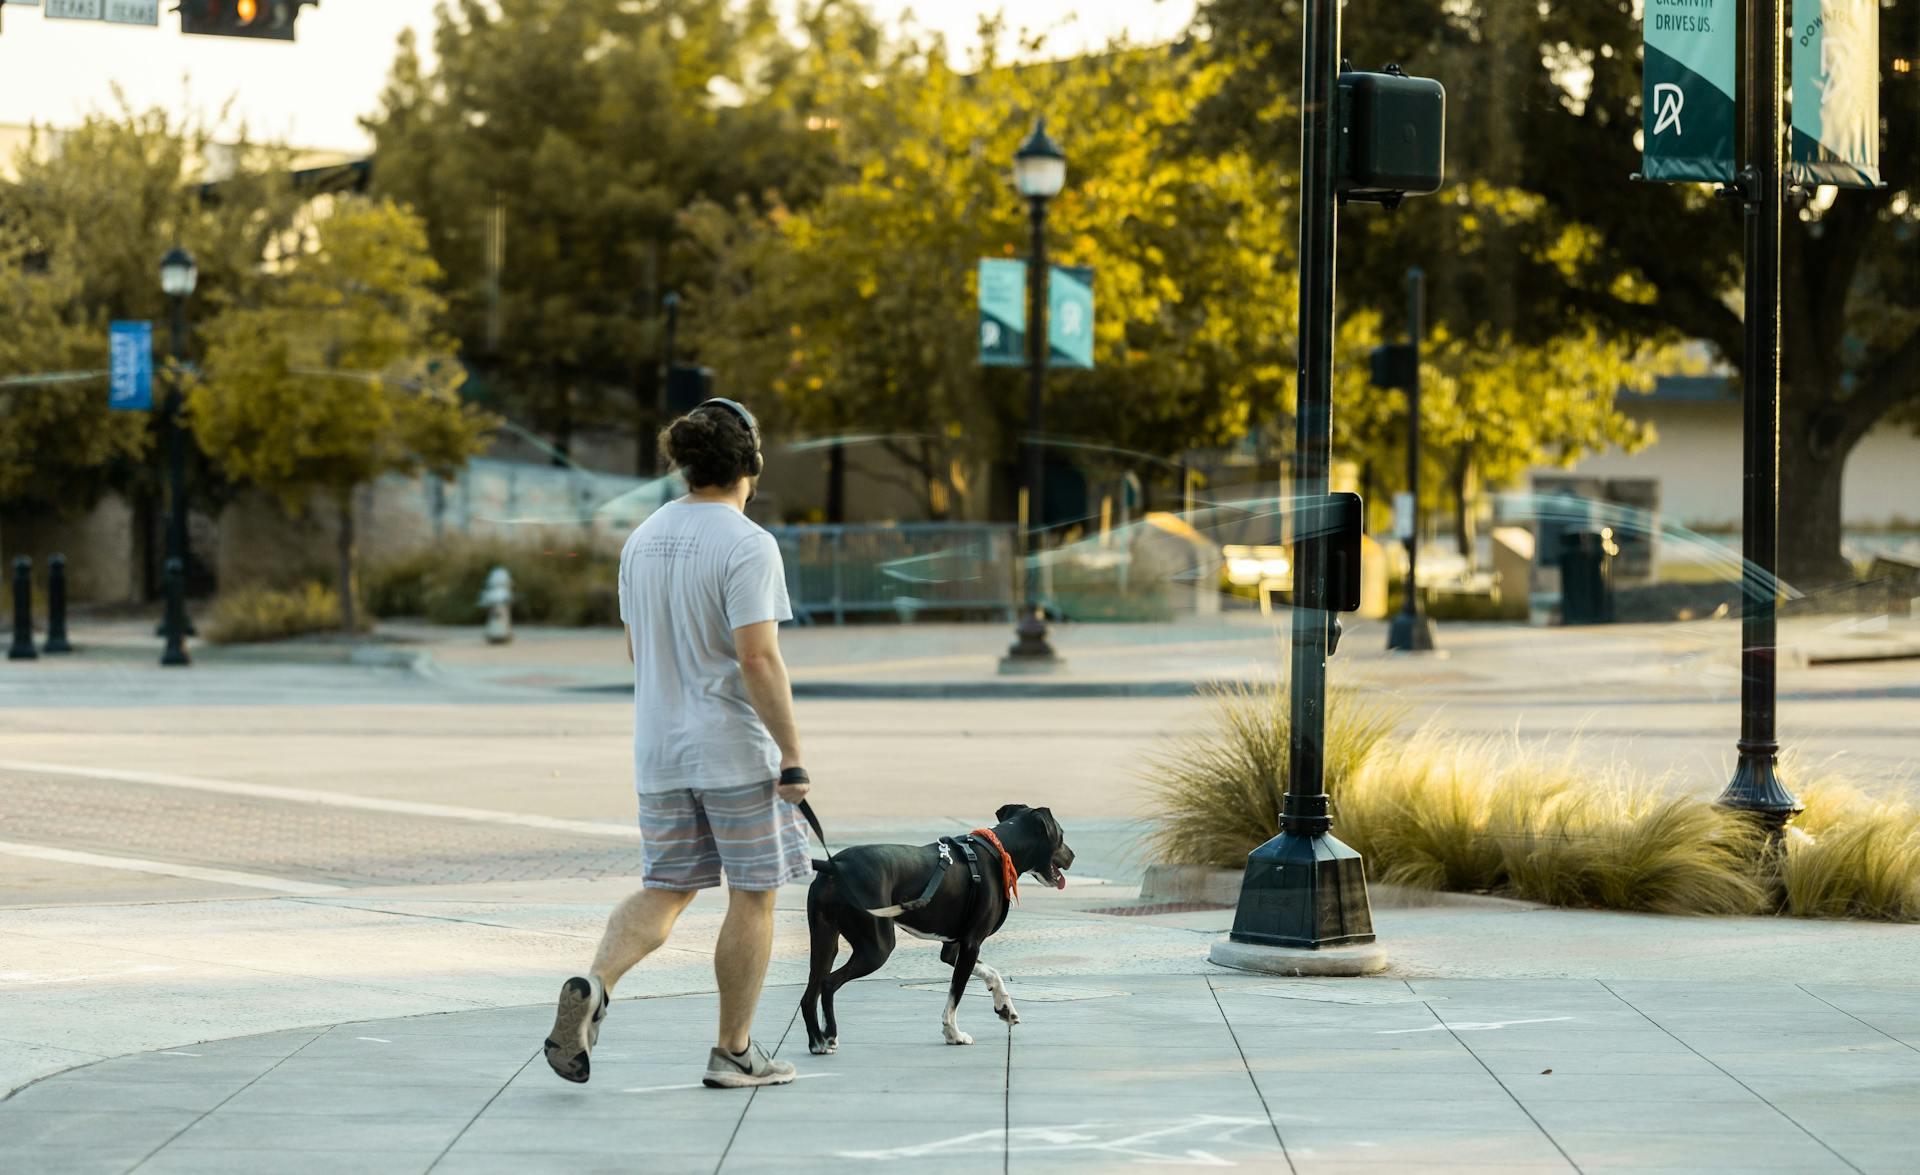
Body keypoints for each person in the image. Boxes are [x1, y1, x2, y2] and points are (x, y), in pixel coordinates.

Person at [544, 397, 810, 1090]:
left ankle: (596, 981)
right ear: (750, 459)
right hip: (731, 751)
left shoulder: (643, 538)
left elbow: (638, 649)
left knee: (666, 886)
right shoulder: (748, 543)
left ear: (684, 462)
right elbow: (758, 659)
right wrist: (792, 754)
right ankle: (733, 1050)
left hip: (659, 750)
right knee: (754, 894)